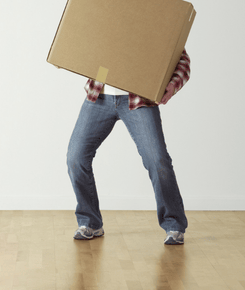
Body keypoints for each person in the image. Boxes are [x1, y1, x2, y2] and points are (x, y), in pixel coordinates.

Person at [66, 49, 190, 245]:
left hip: (139, 98)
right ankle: (90, 222)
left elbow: (181, 58)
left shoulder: (157, 19)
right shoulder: (102, 17)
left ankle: (174, 224)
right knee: (76, 157)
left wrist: (173, 85)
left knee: (157, 160)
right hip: (99, 96)